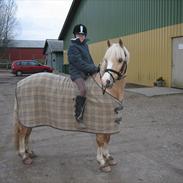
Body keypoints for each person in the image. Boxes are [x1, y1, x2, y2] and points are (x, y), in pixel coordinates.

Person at [68, 24, 99, 128]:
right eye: (78, 34)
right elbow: (79, 63)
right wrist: (92, 69)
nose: (81, 37)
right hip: (77, 72)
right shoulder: (73, 47)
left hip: (85, 70)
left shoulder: (85, 45)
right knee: (83, 90)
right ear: (75, 35)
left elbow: (89, 59)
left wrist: (95, 68)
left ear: (85, 36)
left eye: (83, 35)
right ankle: (78, 116)